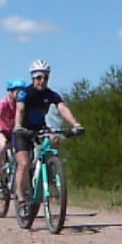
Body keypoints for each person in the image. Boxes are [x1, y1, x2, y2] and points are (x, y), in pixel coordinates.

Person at [13, 60, 82, 211]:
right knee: (23, 163)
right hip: (23, 130)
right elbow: (20, 110)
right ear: (32, 78)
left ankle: (51, 170)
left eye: (45, 77)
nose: (42, 81)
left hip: (40, 128)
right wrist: (18, 126)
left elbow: (62, 108)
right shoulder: (25, 93)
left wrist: (75, 124)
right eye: (39, 77)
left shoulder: (50, 94)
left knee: (54, 138)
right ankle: (20, 197)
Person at [0, 79, 26, 190]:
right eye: (16, 91)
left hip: (14, 132)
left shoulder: (22, 103)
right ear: (10, 92)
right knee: (3, 145)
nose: (19, 94)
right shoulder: (4, 103)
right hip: (0, 130)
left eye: (21, 91)